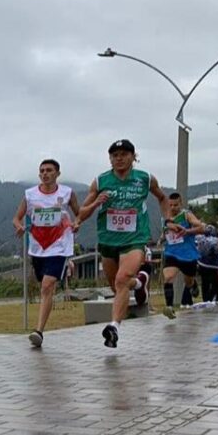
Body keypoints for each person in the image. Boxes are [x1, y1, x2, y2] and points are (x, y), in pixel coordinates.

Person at [76, 139, 171, 348]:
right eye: (114, 155)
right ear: (110, 159)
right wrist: (96, 202)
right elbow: (82, 213)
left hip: (135, 238)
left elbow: (162, 198)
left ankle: (114, 327)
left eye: (123, 155)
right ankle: (140, 284)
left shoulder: (145, 179)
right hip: (108, 240)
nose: (119, 159)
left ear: (133, 156)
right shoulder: (100, 181)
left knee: (121, 280)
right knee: (118, 285)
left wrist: (168, 220)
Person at [12, 159, 80, 347]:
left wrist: (76, 223)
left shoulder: (67, 192)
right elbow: (16, 218)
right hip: (38, 246)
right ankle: (40, 326)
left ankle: (39, 331)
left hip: (59, 245)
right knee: (43, 284)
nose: (45, 173)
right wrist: (19, 227)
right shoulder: (30, 194)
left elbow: (79, 213)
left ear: (57, 173)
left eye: (49, 170)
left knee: (47, 286)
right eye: (42, 171)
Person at [160, 193, 204, 318]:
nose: (173, 207)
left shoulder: (186, 215)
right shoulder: (166, 219)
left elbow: (201, 227)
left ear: (181, 204)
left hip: (188, 254)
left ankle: (193, 284)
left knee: (188, 281)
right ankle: (169, 307)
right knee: (168, 277)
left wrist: (188, 231)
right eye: (170, 205)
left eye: (176, 205)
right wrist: (162, 238)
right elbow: (166, 233)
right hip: (172, 252)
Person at [197, 225, 218, 303]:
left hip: (201, 263)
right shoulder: (215, 240)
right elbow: (217, 252)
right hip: (213, 265)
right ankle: (214, 298)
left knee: (204, 282)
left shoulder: (199, 238)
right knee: (215, 282)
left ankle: (205, 299)